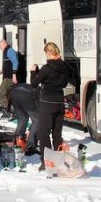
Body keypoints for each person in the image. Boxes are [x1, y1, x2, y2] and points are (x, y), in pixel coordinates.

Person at [30, 42, 71, 170]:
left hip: (47, 103)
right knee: (57, 134)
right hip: (59, 103)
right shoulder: (65, 67)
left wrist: (33, 72)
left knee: (44, 133)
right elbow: (64, 84)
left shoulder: (46, 68)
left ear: (49, 53)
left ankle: (47, 162)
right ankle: (59, 161)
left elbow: (34, 83)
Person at [11, 82, 39, 155]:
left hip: (14, 92)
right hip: (27, 95)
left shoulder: (36, 88)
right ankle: (30, 145)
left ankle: (18, 141)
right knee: (37, 121)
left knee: (22, 118)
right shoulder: (42, 93)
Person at [0, 39, 19, 118]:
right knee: (7, 96)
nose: (0, 48)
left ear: (3, 44)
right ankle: (7, 112)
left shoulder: (10, 51)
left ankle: (7, 112)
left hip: (9, 78)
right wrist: (3, 70)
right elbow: (8, 63)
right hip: (7, 76)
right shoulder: (6, 51)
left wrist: (14, 75)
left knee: (0, 95)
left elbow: (15, 62)